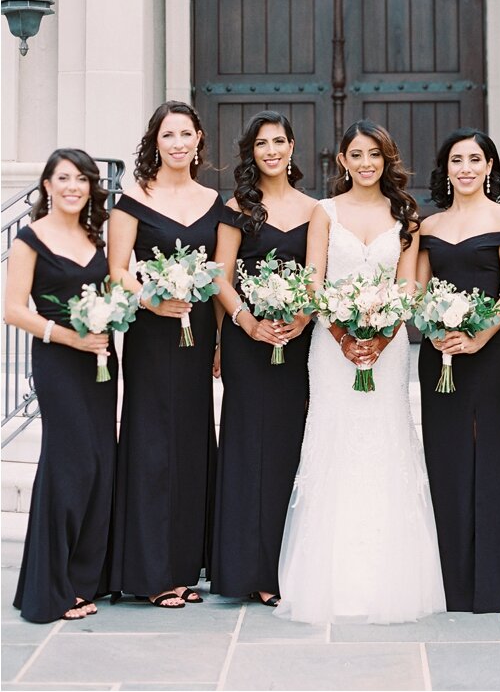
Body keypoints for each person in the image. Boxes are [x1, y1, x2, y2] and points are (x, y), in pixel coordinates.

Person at [275, 120, 445, 624]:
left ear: (386, 159)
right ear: (342, 161)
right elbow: (314, 283)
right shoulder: (324, 213)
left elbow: (409, 287)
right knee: (335, 442)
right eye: (356, 154)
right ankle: (329, 579)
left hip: (388, 349)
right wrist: (345, 337)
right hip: (332, 349)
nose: (366, 162)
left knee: (385, 441)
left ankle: (388, 578)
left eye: (374, 153)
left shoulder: (406, 214)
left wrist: (383, 334)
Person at [108, 102, 224, 608]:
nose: (178, 143)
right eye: (167, 134)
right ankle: (151, 571)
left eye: (185, 134)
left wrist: (220, 339)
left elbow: (220, 276)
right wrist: (150, 299)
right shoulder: (131, 200)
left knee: (192, 439)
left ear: (199, 139)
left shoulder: (216, 202)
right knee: (152, 443)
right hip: (151, 337)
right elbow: (117, 271)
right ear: (155, 142)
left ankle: (183, 567)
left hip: (197, 334)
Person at [210, 111, 318, 606]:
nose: (271, 150)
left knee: (284, 449)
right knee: (243, 445)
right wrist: (245, 322)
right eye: (261, 144)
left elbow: (317, 280)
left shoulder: (315, 211)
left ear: (292, 147)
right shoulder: (237, 208)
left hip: (294, 344)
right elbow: (220, 276)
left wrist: (301, 318)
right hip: (246, 342)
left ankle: (277, 568)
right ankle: (239, 570)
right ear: (250, 153)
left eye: (279, 141)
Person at [415, 128, 500, 613]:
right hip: (439, 354)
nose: (465, 167)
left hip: (490, 354)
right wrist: (432, 328)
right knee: (447, 457)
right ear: (446, 169)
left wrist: (479, 336)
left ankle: (494, 581)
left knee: (490, 453)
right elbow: (415, 292)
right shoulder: (429, 225)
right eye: (456, 159)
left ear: (489, 167)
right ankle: (452, 581)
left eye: (474, 159)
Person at [6, 150, 116, 622]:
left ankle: (82, 580)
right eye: (63, 178)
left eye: (82, 179)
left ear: (90, 188)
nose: (73, 186)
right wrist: (68, 335)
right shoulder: (30, 239)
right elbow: (12, 309)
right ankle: (49, 589)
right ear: (47, 185)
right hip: (57, 361)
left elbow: (109, 296)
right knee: (67, 467)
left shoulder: (95, 236)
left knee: (97, 464)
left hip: (99, 366)